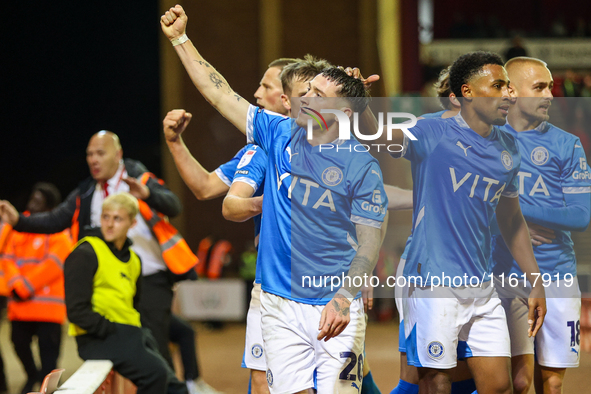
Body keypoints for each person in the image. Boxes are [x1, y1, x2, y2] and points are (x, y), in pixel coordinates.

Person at [161, 6, 388, 392]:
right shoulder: (277, 131)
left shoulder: (361, 167)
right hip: (278, 304)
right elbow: (218, 93)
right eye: (306, 93)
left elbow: (370, 240)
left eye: (316, 95)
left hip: (333, 300)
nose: (302, 101)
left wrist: (346, 296)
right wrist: (181, 39)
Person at [387, 51, 547, 394]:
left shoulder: (508, 147)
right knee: (435, 380)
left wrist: (535, 280)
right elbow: (380, 140)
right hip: (431, 280)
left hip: (481, 283)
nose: (510, 93)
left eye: (509, 85)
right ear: (468, 92)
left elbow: (511, 217)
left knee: (499, 385)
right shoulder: (432, 130)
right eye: (499, 85)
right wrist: (359, 107)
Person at [163, 56, 298, 394]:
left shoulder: (329, 137)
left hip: (326, 281)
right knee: (263, 377)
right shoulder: (260, 149)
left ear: (287, 97)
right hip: (275, 282)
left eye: (265, 86)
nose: (255, 94)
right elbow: (207, 188)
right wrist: (176, 144)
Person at [0, 131, 187, 374]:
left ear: (118, 155)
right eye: (89, 154)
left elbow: (174, 205)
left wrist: (148, 195)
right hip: (111, 286)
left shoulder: (139, 177)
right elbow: (56, 220)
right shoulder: (87, 192)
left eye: (100, 153)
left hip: (150, 280)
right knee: (122, 355)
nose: (93, 160)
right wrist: (19, 222)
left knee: (155, 351)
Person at [492, 57, 590, 394]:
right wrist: (507, 221)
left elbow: (580, 216)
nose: (550, 94)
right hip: (501, 274)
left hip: (556, 273)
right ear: (512, 92)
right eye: (540, 87)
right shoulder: (485, 139)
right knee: (513, 381)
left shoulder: (566, 144)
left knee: (551, 382)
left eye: (550, 86)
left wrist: (515, 211)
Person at [65, 192, 186, 394]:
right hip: (97, 338)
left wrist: (133, 331)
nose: (110, 224)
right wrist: (111, 329)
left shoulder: (134, 259)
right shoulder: (85, 253)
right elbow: (76, 311)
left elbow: (134, 305)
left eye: (117, 218)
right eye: (106, 217)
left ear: (132, 223)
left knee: (176, 388)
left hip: (131, 332)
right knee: (156, 375)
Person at [0, 183, 71, 394]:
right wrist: (17, 285)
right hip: (21, 307)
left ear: (49, 206)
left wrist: (26, 286)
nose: (32, 204)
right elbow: (7, 256)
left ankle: (48, 390)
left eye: (38, 201)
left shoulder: (58, 230)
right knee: (18, 344)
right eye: (32, 199)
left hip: (48, 310)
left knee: (50, 360)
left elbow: (55, 263)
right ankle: (33, 376)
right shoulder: (16, 229)